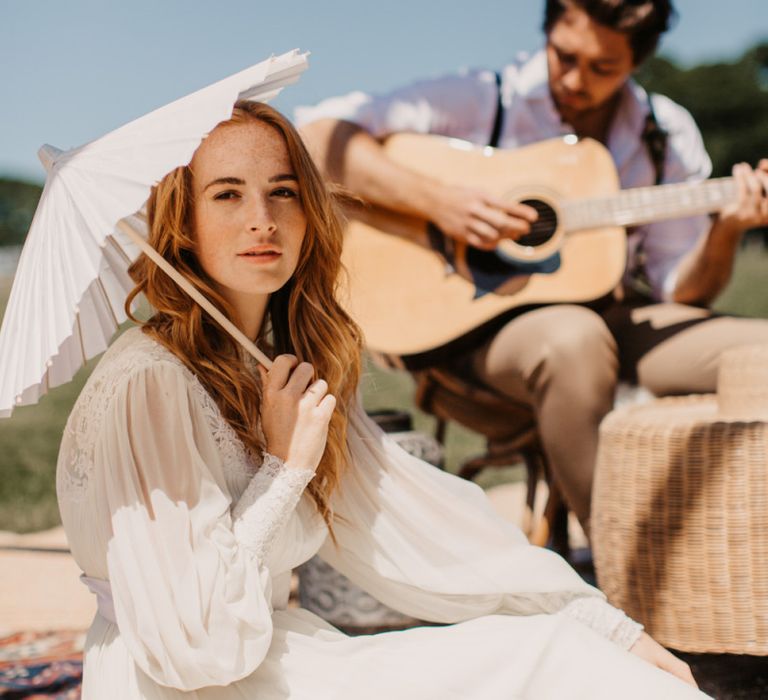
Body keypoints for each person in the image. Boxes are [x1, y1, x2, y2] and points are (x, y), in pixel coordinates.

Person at [56, 100, 707, 698]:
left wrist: (603, 624)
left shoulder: (283, 370)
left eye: (283, 191)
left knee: (555, 652)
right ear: (184, 222)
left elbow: (416, 523)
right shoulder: (152, 384)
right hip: (177, 682)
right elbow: (196, 645)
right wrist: (285, 471)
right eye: (227, 194)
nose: (263, 219)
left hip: (278, 654)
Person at [296, 0, 768, 533]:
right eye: (563, 56)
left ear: (638, 61)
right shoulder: (481, 99)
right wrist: (440, 201)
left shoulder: (664, 134)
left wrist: (727, 231)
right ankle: (625, 565)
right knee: (574, 340)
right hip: (472, 338)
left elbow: (681, 294)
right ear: (549, 29)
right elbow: (315, 139)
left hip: (615, 317)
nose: (574, 79)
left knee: (756, 353)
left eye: (602, 68)